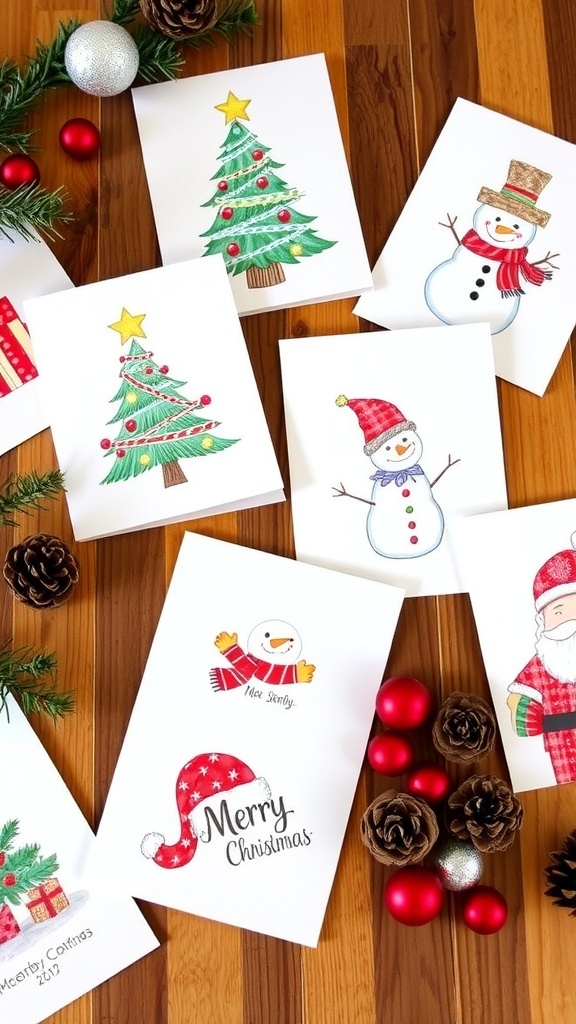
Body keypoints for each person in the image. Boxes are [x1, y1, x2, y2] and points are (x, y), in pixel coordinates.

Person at [507, 541, 576, 784]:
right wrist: (525, 713)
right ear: (543, 621)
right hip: (564, 748)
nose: (572, 619)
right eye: (559, 612)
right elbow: (521, 702)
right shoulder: (543, 663)